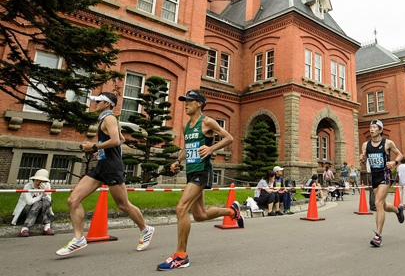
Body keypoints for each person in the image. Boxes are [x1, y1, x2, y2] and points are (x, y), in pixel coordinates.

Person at [57, 92, 155, 256]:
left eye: (98, 101)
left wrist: (94, 147)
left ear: (107, 104)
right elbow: (121, 139)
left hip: (112, 167)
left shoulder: (109, 118)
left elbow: (116, 141)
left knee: (123, 205)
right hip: (102, 166)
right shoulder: (107, 119)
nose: (95, 103)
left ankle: (146, 230)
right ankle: (79, 239)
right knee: (73, 199)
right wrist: (101, 150)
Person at [157, 90, 242, 271]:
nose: (185, 104)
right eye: (185, 101)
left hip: (203, 171)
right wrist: (177, 161)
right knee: (200, 215)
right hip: (191, 171)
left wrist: (212, 149)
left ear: (199, 104)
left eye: (189, 101)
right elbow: (186, 147)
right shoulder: (186, 126)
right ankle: (232, 211)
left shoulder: (207, 122)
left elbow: (229, 137)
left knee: (181, 208)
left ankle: (181, 256)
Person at [359, 119, 404, 247]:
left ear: (380, 130)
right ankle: (397, 210)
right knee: (382, 205)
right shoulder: (365, 145)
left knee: (377, 202)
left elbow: (400, 155)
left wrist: (394, 163)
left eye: (374, 127)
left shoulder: (387, 143)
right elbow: (363, 161)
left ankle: (378, 235)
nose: (371, 129)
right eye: (370, 127)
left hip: (385, 174)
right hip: (373, 176)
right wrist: (362, 159)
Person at [12, 169, 54, 237]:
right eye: (37, 180)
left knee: (46, 202)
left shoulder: (47, 185)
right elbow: (29, 202)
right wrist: (40, 196)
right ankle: (25, 228)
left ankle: (47, 227)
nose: (38, 183)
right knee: (38, 203)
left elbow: (50, 201)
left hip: (39, 210)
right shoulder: (28, 186)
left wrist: (45, 193)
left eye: (41, 181)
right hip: (26, 210)